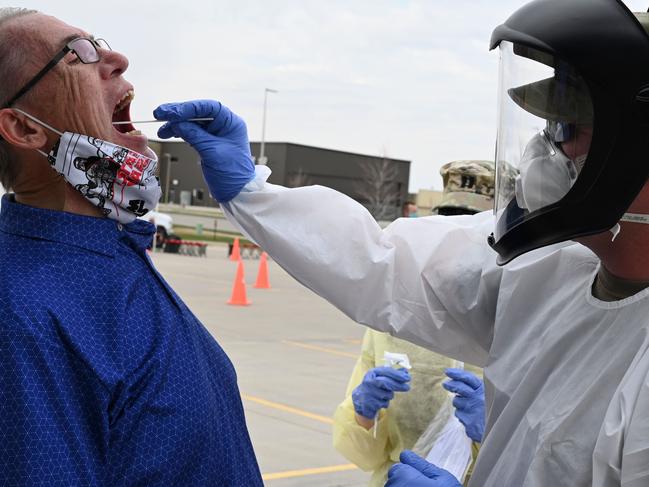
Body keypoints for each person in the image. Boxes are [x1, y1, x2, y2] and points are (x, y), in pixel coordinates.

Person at [153, 1, 649, 485]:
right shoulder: (546, 269)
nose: (545, 149)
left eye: (565, 128)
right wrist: (252, 193)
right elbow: (385, 266)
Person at [0, 8, 262, 485]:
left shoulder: (116, 253)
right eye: (77, 53)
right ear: (25, 129)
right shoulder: (20, 317)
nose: (117, 59)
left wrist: (253, 194)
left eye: (102, 42)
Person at [332, 161, 494, 487]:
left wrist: (497, 430)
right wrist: (364, 414)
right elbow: (365, 455)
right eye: (448, 221)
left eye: (471, 225)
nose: (457, 237)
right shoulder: (396, 317)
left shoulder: (520, 318)